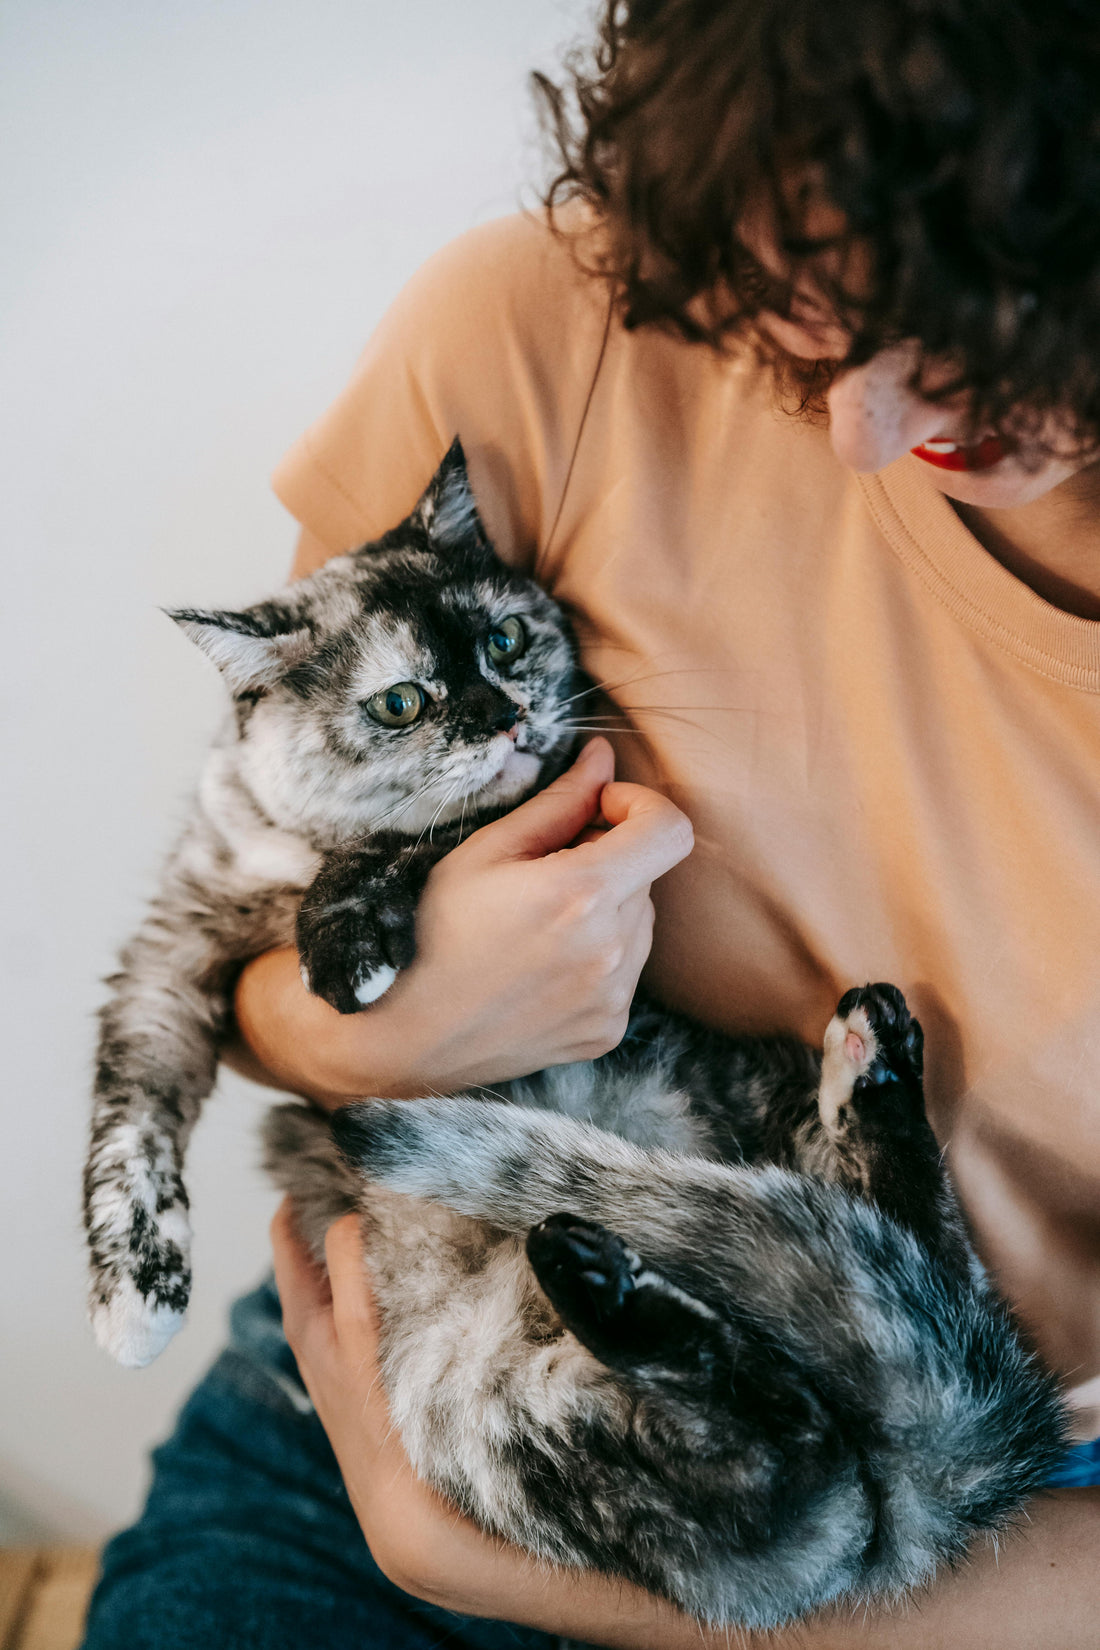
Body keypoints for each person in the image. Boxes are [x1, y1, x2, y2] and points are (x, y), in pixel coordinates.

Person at [82, 1, 1100, 1645]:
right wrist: (375, 1032)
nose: (859, 435)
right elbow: (245, 939)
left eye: (986, 342)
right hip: (377, 1378)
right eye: (806, 316)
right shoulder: (545, 325)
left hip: (962, 1540)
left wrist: (489, 1560)